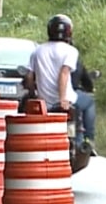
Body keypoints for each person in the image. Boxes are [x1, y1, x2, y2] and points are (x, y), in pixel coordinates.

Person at [24, 14, 97, 152]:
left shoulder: (37, 51)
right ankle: (90, 140)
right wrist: (63, 98)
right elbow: (64, 73)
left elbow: (29, 77)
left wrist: (34, 94)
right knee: (89, 102)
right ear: (69, 32)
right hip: (66, 99)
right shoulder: (70, 51)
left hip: (44, 102)